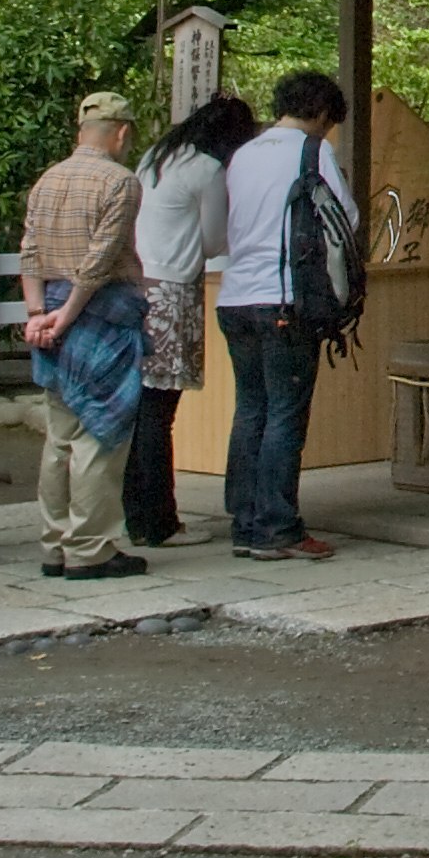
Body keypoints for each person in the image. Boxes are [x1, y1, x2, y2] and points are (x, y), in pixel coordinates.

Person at [218, 72, 353, 562]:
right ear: (320, 113)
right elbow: (344, 218)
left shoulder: (243, 154)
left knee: (250, 408)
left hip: (234, 299)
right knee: (284, 414)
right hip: (284, 298)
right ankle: (278, 527)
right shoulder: (311, 151)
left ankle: (245, 521)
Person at [20, 90, 151, 582]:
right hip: (98, 317)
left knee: (59, 436)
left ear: (81, 130)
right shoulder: (121, 182)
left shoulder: (48, 179)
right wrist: (70, 313)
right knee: (100, 433)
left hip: (49, 313)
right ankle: (90, 546)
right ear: (121, 133)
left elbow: (29, 249)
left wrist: (39, 313)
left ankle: (54, 543)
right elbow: (100, 258)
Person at [125, 93, 251, 550]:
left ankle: (135, 514)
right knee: (161, 414)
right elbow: (215, 240)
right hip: (174, 291)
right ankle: (159, 520)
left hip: (137, 285)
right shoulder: (208, 170)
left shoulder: (156, 159)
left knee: (141, 411)